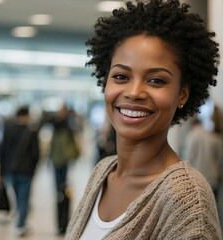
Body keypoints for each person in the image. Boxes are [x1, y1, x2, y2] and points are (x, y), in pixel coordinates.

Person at [65, 1, 222, 239]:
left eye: (156, 80)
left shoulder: (185, 200)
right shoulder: (102, 172)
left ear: (182, 94)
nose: (134, 92)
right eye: (120, 76)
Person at [0, 106, 40, 237]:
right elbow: (36, 154)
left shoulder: (8, 129)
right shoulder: (31, 131)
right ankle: (20, 225)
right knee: (24, 198)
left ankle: (20, 221)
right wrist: (34, 170)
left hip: (10, 169)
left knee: (17, 197)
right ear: (26, 115)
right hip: (26, 170)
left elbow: (2, 152)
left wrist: (1, 171)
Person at [48, 104, 80, 234]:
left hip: (61, 159)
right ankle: (61, 194)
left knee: (62, 183)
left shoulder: (67, 124)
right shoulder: (60, 124)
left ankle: (61, 194)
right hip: (59, 158)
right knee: (60, 184)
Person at [183, 108, 223, 199]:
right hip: (213, 180)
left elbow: (187, 158)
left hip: (197, 180)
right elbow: (220, 161)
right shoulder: (215, 136)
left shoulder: (193, 135)